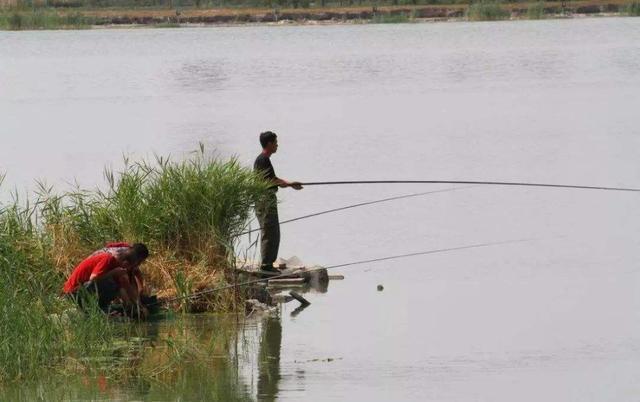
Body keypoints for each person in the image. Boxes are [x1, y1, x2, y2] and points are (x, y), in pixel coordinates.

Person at [254, 131, 302, 271]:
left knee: (272, 232)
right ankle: (266, 266)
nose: (277, 145)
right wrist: (290, 184)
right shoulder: (263, 159)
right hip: (264, 200)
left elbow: (271, 180)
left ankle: (267, 264)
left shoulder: (263, 159)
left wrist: (290, 184)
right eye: (275, 142)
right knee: (270, 232)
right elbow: (272, 180)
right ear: (269, 144)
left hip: (265, 199)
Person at [63, 242, 150, 317]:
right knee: (111, 285)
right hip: (73, 293)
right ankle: (93, 309)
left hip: (83, 290)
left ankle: (99, 308)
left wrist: (138, 306)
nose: (126, 271)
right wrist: (113, 273)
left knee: (116, 286)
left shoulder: (118, 265)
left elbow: (125, 286)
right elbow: (93, 279)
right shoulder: (108, 259)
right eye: (128, 267)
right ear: (125, 262)